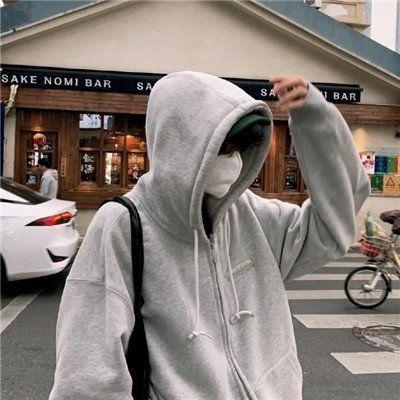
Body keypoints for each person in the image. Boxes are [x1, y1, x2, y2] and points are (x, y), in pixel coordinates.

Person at [49, 71, 370, 400]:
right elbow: (88, 375)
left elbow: (333, 225)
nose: (234, 160)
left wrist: (316, 121)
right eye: (222, 147)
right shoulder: (122, 226)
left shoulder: (249, 214)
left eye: (239, 148)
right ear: (181, 146)